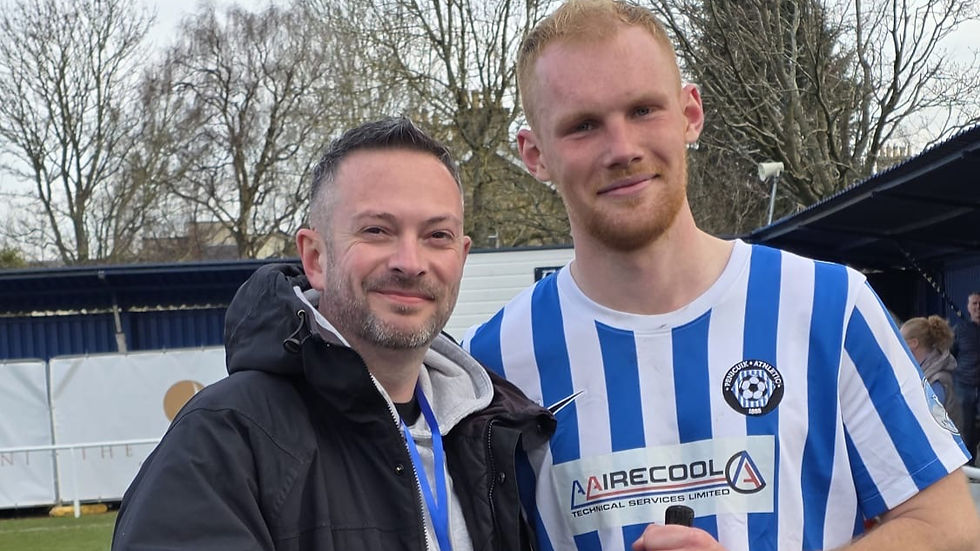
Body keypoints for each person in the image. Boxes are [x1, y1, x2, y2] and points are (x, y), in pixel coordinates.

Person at [461, 1, 979, 550]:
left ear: (690, 113)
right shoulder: (490, 364)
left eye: (643, 110)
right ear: (534, 154)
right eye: (583, 125)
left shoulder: (829, 306)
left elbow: (948, 527)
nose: (622, 149)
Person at [112, 117, 554, 551]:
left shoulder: (494, 432)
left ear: (461, 255)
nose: (410, 261)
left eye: (437, 235)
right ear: (316, 257)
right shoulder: (222, 441)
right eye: (377, 230)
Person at [901, 315, 963, 431]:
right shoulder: (928, 374)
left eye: (901, 340)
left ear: (913, 343)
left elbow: (926, 423)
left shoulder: (936, 381)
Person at [953, 292, 980, 462]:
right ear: (969, 308)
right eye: (974, 304)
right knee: (966, 430)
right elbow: (951, 355)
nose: (978, 307)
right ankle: (969, 467)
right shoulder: (960, 330)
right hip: (964, 387)